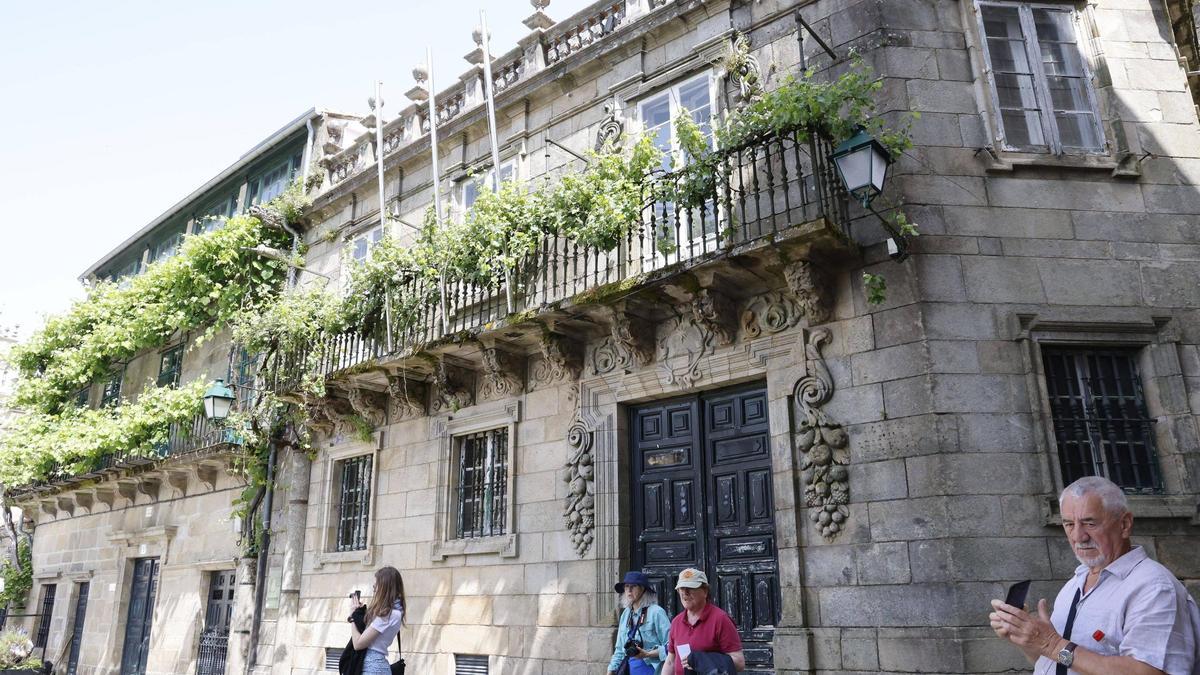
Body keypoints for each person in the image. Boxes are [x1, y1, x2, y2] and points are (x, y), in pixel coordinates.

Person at [989, 476, 1200, 674]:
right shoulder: (1076, 582)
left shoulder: (1153, 587)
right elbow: (1059, 662)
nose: (1078, 536)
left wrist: (1050, 643)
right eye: (1069, 524)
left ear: (1124, 524)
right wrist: (1027, 638)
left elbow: (1149, 672)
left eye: (1090, 523)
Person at [661, 568, 745, 675]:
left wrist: (702, 660)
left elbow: (739, 663)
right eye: (681, 588)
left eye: (690, 588)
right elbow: (670, 661)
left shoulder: (721, 619)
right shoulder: (676, 622)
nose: (685, 593)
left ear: (705, 591)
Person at [607, 570, 672, 675]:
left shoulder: (656, 612)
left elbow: (671, 646)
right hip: (629, 669)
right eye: (627, 586)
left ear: (643, 589)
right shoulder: (626, 614)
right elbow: (619, 649)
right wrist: (610, 670)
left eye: (634, 586)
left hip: (653, 670)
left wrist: (648, 654)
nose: (629, 590)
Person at [346, 566, 407, 675]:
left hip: (372, 669)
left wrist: (353, 618)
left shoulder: (388, 614)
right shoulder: (394, 612)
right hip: (375, 666)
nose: (374, 586)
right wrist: (360, 614)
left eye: (377, 583)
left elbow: (358, 644)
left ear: (386, 586)